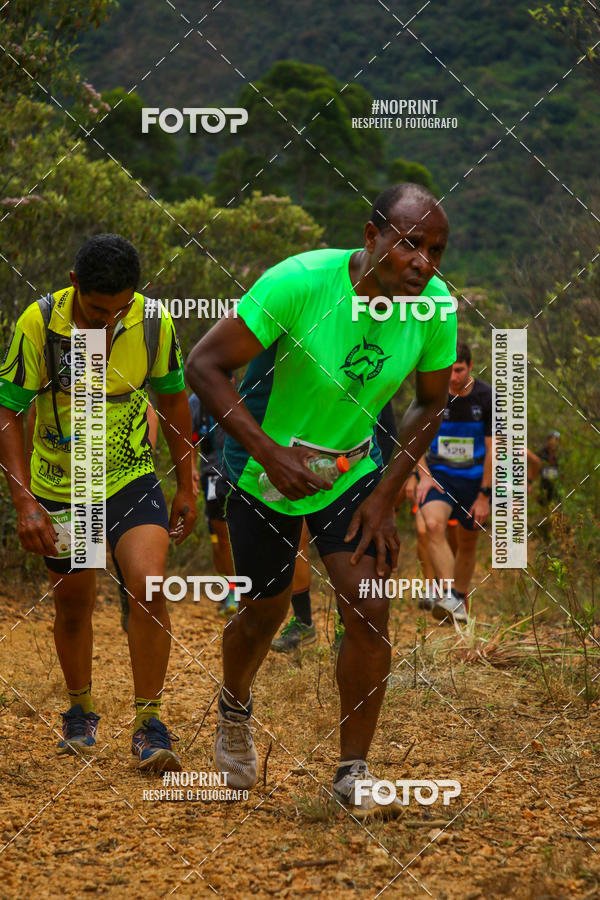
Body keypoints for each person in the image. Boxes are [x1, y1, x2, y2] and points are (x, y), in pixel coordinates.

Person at [186, 182, 457, 817]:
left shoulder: (436, 307)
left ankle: (352, 771)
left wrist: (387, 492)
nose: (424, 263)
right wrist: (270, 455)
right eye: (411, 244)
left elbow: (431, 399)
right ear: (372, 237)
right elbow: (204, 365)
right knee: (264, 612)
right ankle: (233, 708)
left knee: (368, 607)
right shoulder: (300, 282)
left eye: (437, 251)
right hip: (263, 467)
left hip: (351, 466)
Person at [0, 234, 196, 771]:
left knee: (149, 588)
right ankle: (80, 713)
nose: (106, 322)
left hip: (130, 476)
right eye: (95, 310)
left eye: (118, 310)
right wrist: (24, 502)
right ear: (73, 285)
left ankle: (150, 725)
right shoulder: (39, 323)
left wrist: (187, 482)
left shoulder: (153, 321)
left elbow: (174, 399)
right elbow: (8, 411)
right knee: (73, 604)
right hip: (63, 485)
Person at [271, 400, 397, 653]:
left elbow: (387, 430)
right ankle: (302, 622)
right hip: (300, 462)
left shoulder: (372, 370)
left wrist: (377, 483)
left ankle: (345, 626)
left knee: (351, 546)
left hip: (351, 471)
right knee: (297, 541)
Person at [415, 342, 492, 625]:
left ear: (470, 367)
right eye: (448, 370)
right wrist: (423, 475)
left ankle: (458, 597)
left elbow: (494, 449)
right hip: (441, 479)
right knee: (433, 526)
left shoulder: (487, 398)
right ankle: (448, 594)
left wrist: (485, 495)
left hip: (475, 483)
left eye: (458, 370)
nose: (453, 377)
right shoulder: (432, 395)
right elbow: (414, 440)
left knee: (467, 540)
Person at [189, 389, 238, 616]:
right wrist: (189, 471)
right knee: (218, 538)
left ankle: (240, 592)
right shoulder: (196, 402)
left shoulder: (240, 392)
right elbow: (187, 439)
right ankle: (229, 589)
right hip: (211, 474)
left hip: (238, 475)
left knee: (234, 536)